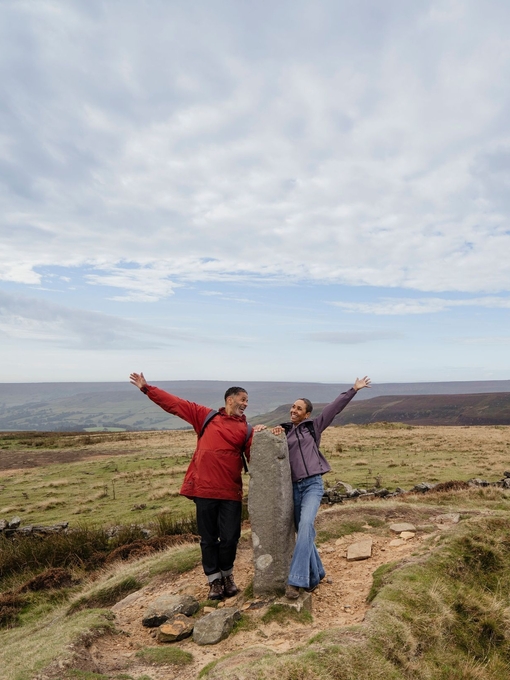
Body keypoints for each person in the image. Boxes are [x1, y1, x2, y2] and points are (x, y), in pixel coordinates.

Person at [129, 372, 263, 600]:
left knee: (230, 538)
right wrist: (146, 388)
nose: (245, 404)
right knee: (208, 538)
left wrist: (266, 436)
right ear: (229, 400)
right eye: (243, 399)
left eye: (247, 401)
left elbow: (257, 460)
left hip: (231, 491)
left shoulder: (247, 430)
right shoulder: (206, 417)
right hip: (204, 490)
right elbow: (176, 404)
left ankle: (227, 575)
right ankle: (214, 581)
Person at [271, 376, 371, 599]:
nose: (294, 410)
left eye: (299, 408)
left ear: (307, 414)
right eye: (293, 407)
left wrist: (353, 390)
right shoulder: (283, 431)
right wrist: (271, 431)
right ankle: (317, 574)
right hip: (293, 488)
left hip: (313, 485)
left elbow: (334, 409)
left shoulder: (313, 427)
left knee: (306, 525)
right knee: (303, 532)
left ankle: (295, 581)